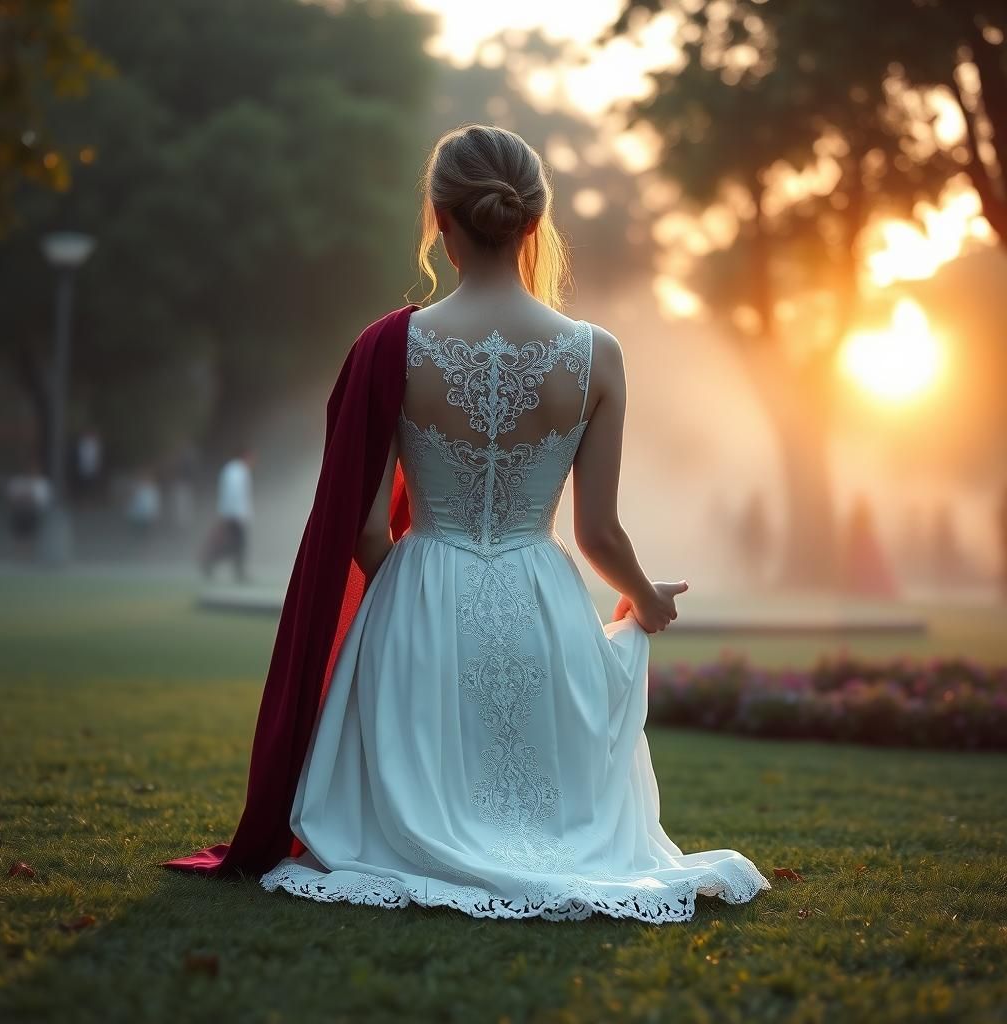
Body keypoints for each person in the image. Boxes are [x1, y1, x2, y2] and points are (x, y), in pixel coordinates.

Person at [168, 125, 770, 922]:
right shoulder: (596, 355)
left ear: (440, 219)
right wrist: (646, 599)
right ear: (533, 222)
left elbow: (364, 529)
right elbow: (599, 533)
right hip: (541, 597)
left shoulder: (394, 346)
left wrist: (411, 598)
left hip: (423, 583)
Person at [201, 447, 254, 582]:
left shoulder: (231, 469)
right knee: (236, 544)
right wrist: (240, 514)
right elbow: (235, 493)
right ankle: (212, 563)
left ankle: (212, 563)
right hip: (235, 515)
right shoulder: (238, 471)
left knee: (234, 545)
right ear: (246, 456)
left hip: (231, 513)